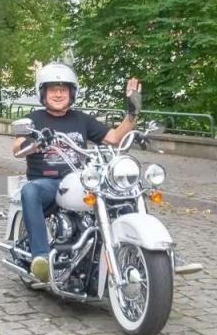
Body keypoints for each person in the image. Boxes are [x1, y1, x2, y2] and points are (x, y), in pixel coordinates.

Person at [13, 63, 141, 283]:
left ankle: (145, 253)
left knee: (125, 194)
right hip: (48, 182)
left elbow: (113, 138)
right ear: (43, 93)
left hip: (81, 180)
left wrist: (132, 112)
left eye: (64, 89)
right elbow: (17, 148)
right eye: (53, 89)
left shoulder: (81, 119)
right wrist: (33, 144)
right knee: (30, 191)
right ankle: (41, 257)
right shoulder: (35, 119)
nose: (59, 93)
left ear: (72, 93)